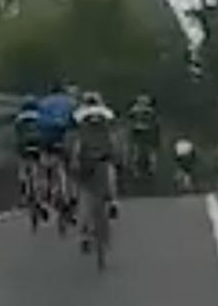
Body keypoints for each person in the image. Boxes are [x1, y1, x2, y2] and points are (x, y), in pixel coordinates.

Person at [72, 91, 118, 253]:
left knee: (85, 196)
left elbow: (77, 141)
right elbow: (112, 138)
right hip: (103, 158)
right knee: (110, 177)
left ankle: (84, 234)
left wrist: (75, 160)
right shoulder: (106, 114)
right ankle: (112, 202)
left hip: (85, 161)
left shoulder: (78, 116)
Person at [36, 84, 78, 210]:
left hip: (46, 138)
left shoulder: (42, 103)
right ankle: (72, 195)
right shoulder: (69, 102)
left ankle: (45, 195)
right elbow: (74, 120)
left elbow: (38, 121)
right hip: (63, 137)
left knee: (44, 168)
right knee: (69, 166)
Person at [14, 95, 46, 219]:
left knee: (22, 165)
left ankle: (24, 189)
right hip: (37, 145)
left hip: (23, 146)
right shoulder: (40, 117)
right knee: (39, 169)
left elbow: (17, 134)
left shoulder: (19, 118)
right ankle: (40, 195)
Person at [126, 94, 160, 177]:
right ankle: (151, 168)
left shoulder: (134, 109)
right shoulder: (151, 110)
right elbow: (156, 122)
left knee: (136, 149)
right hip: (148, 130)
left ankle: (135, 169)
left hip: (136, 130)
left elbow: (129, 119)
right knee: (150, 149)